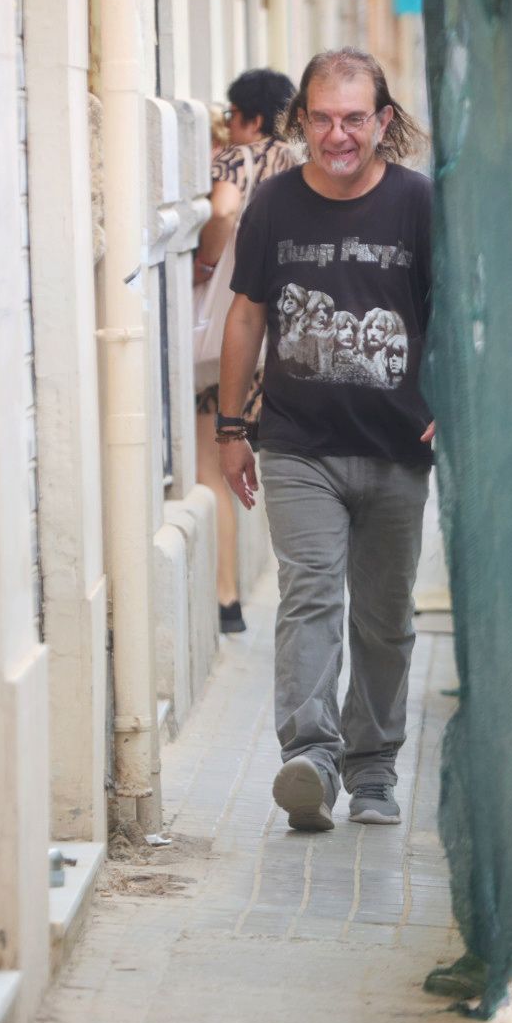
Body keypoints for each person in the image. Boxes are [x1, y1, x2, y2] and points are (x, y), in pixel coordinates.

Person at [215, 48, 434, 831]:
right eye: (322, 119)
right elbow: (247, 314)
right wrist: (231, 427)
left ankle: (373, 769)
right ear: (301, 121)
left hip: (398, 446)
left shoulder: (418, 203)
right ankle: (310, 758)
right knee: (310, 594)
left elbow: (452, 312)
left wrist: (453, 399)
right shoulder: (274, 204)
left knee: (385, 617)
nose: (338, 135)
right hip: (297, 445)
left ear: (382, 120)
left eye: (354, 118)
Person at [192, 68, 299, 635]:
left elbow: (222, 211)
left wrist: (206, 261)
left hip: (233, 339)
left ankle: (226, 599)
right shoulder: (302, 166)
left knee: (212, 465)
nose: (229, 126)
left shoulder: (240, 159)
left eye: (232, 116)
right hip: (287, 337)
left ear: (253, 118)